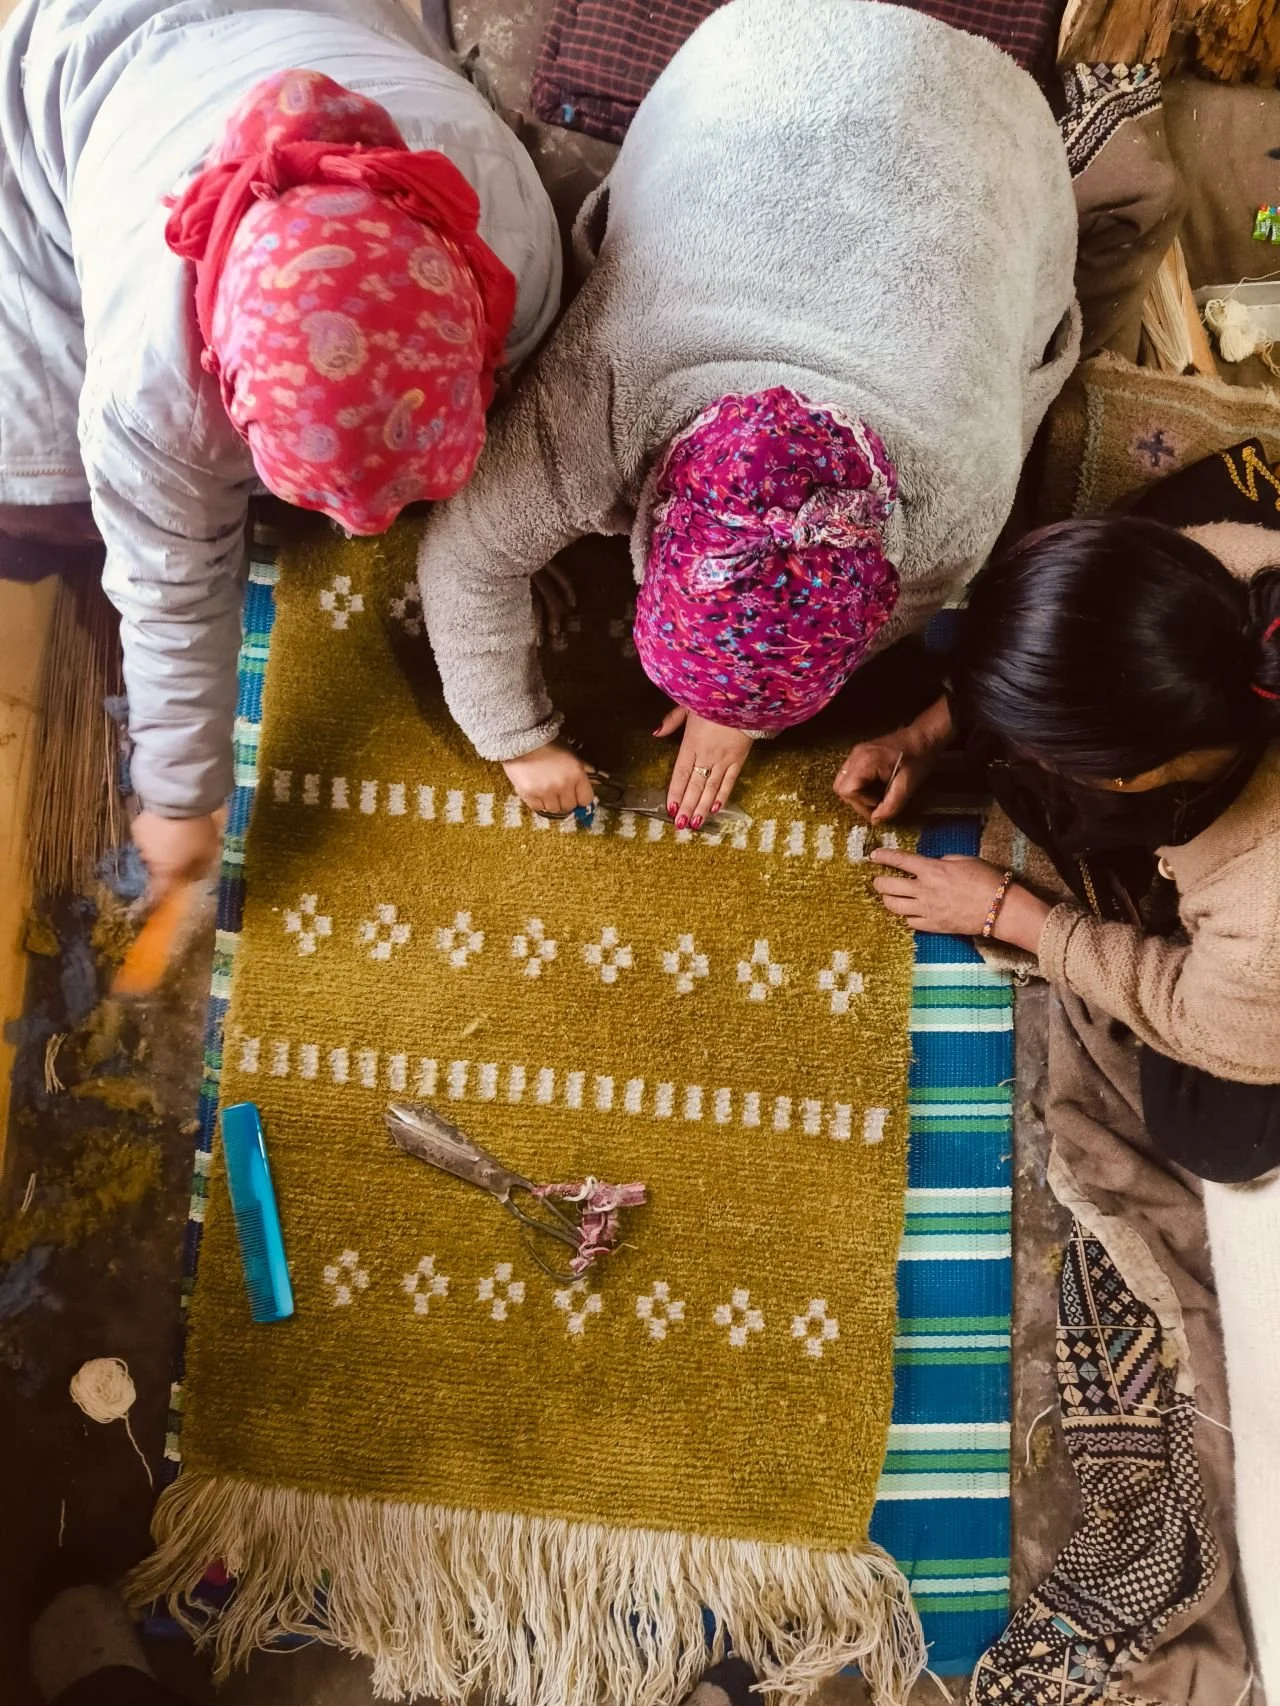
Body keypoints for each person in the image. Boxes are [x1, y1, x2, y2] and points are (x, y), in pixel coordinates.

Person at [414, 0, 1080, 825]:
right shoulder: (597, 398)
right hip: (779, 47)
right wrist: (514, 737)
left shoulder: (964, 498)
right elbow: (461, 559)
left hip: (985, 111)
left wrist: (739, 711)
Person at [0, 0, 562, 893]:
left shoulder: (515, 237)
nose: (373, 536)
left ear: (478, 305)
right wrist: (179, 797)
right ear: (221, 383)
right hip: (87, 53)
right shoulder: (148, 394)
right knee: (34, 484)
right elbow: (169, 590)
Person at [855, 445, 1280, 1181]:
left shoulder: (1260, 912)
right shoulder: (1224, 566)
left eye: (1046, 747)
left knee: (1214, 1131)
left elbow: (1195, 1016)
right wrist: (926, 731)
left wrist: (1013, 914)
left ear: (1127, 777)